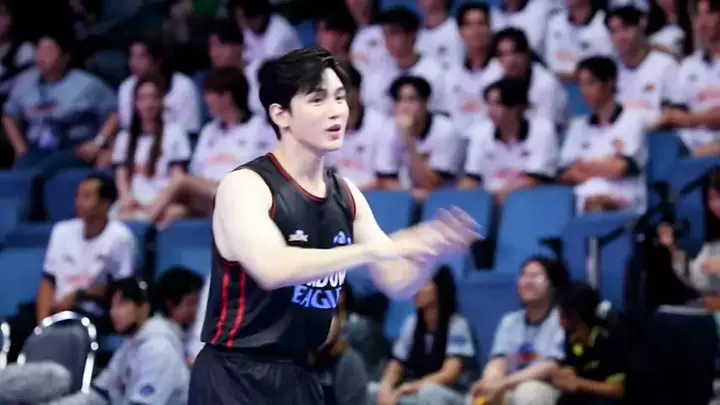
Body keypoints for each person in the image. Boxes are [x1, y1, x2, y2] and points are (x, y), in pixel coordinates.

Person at [187, 47, 478, 405]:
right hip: (235, 373)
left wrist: (429, 254)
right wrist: (373, 249)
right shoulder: (245, 185)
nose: (336, 110)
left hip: (301, 371)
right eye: (317, 99)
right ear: (280, 114)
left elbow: (395, 281)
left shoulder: (346, 194)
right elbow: (272, 269)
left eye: (340, 97)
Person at [47, 277, 190, 405]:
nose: (114, 312)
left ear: (144, 308)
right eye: (112, 305)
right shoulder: (130, 345)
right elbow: (99, 395)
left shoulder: (159, 349)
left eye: (122, 304)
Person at [369, 266, 477, 405]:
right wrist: (386, 387)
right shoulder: (411, 323)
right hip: (416, 390)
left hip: (451, 394)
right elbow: (397, 364)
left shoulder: (457, 325)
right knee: (372, 390)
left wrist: (411, 387)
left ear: (439, 288)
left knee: (430, 392)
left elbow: (449, 374)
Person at [552, 282, 626, 405]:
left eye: (563, 315)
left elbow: (618, 389)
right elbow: (571, 367)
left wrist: (578, 383)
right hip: (585, 395)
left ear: (577, 314)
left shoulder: (610, 337)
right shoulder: (570, 335)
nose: (559, 320)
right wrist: (565, 376)